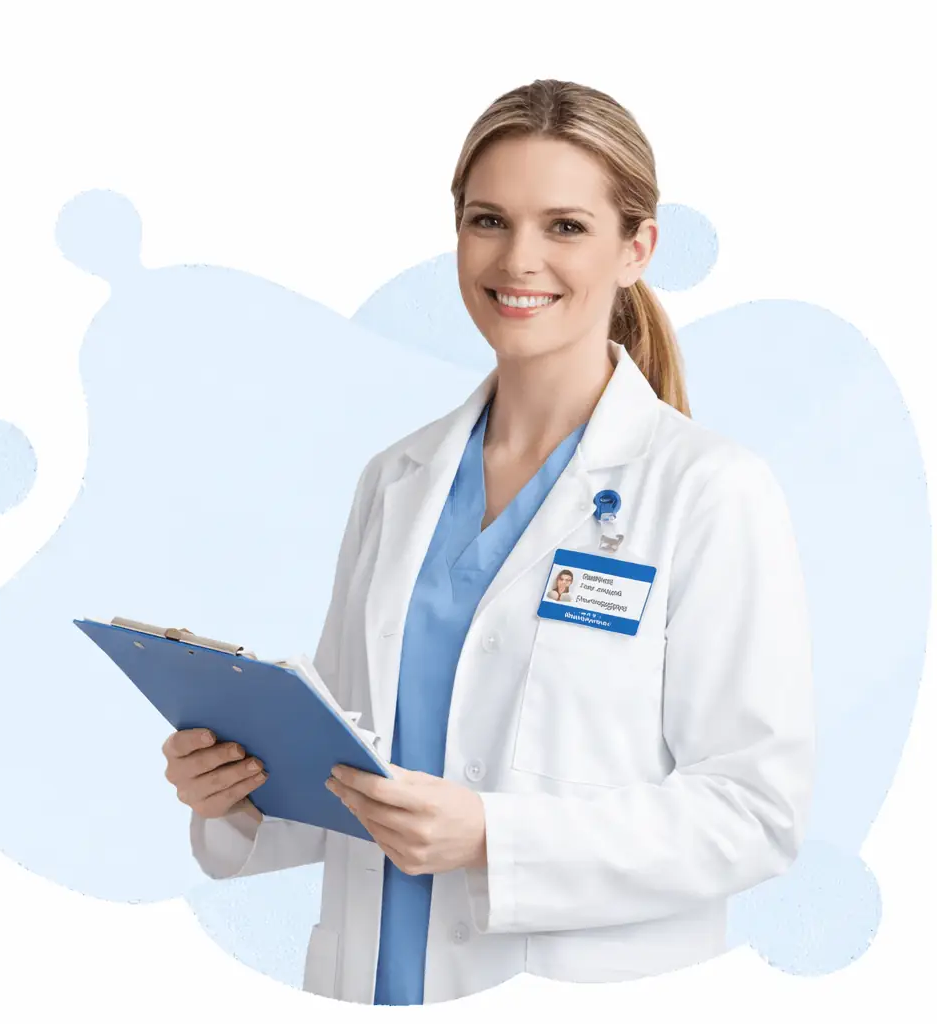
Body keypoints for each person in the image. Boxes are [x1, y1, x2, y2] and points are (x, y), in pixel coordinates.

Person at [162, 79, 815, 1005]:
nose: (518, 259)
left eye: (566, 226)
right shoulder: (397, 480)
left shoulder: (709, 490)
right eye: (488, 220)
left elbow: (755, 813)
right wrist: (237, 790)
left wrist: (494, 841)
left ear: (637, 249)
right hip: (371, 981)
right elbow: (348, 775)